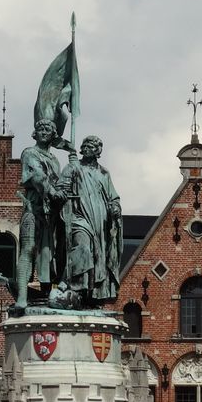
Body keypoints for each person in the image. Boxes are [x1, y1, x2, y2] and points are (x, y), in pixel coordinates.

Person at [57, 135, 122, 303]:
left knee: (97, 256)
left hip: (100, 222)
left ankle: (89, 294)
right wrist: (62, 193)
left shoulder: (104, 173)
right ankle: (73, 285)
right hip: (79, 216)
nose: (86, 148)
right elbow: (61, 189)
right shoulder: (73, 167)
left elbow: (113, 198)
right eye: (84, 145)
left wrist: (115, 208)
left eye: (90, 146)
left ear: (97, 151)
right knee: (82, 246)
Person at [15, 119, 69, 307]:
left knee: (49, 254)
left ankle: (47, 292)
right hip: (34, 207)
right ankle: (22, 296)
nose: (44, 131)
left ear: (54, 135)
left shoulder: (55, 160)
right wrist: (54, 192)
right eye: (41, 129)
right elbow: (37, 175)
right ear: (35, 134)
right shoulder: (29, 153)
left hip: (51, 212)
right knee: (28, 248)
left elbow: (59, 182)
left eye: (49, 129)